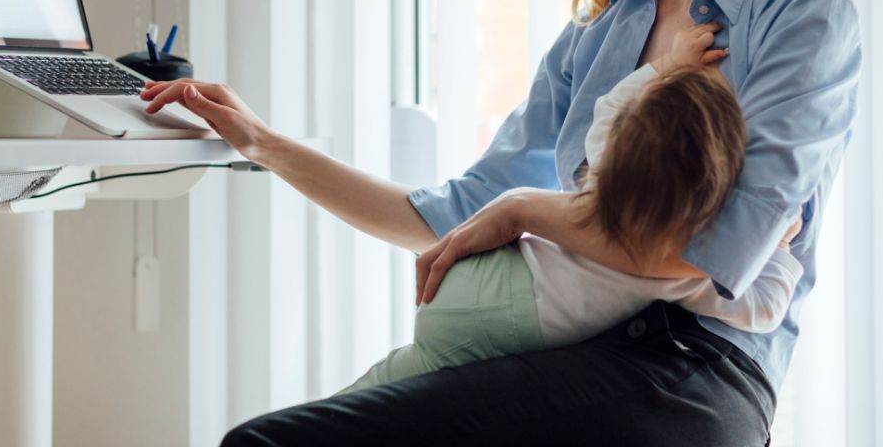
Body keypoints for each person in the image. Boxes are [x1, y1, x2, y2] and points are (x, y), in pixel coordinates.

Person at [142, 0, 862, 445]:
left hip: (695, 368)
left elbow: (708, 253)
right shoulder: (598, 33)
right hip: (569, 353)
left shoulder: (803, 14)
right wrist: (261, 143)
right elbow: (453, 215)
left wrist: (527, 210)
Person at [339, 21, 804, 394]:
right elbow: (764, 307)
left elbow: (610, 108)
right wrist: (781, 246)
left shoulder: (602, 176)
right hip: (512, 322)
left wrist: (668, 65)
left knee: (378, 391)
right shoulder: (683, 268)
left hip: (478, 276)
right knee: (406, 391)